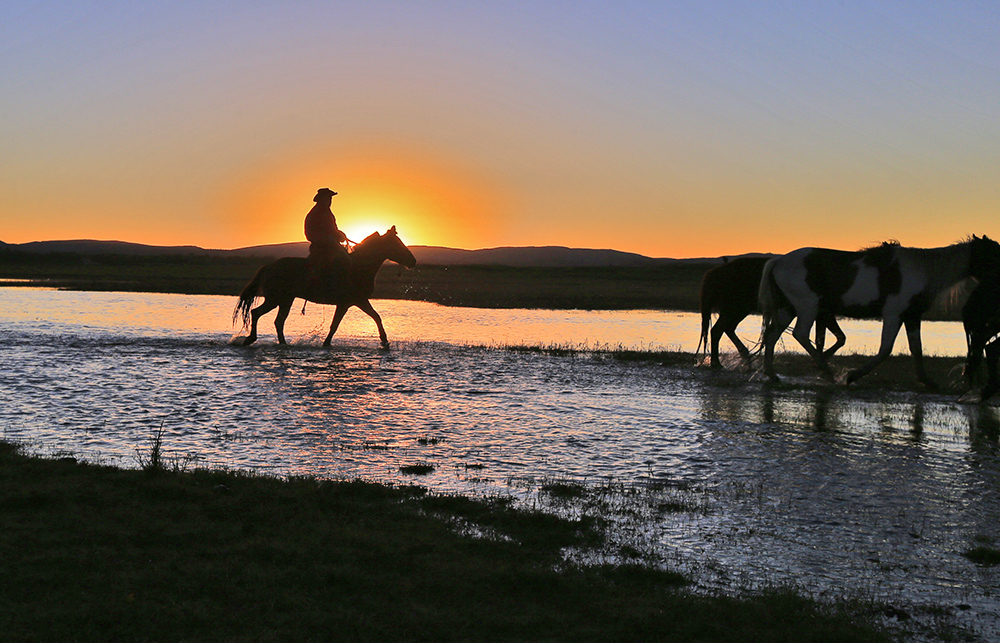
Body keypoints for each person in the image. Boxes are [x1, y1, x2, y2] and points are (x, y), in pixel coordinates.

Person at [304, 188, 350, 286]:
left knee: (345, 256)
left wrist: (339, 234)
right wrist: (333, 236)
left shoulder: (327, 212)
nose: (330, 201)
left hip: (328, 241)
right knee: (343, 259)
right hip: (321, 242)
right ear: (322, 199)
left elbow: (333, 228)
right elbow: (318, 231)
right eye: (328, 198)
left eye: (330, 199)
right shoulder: (317, 212)